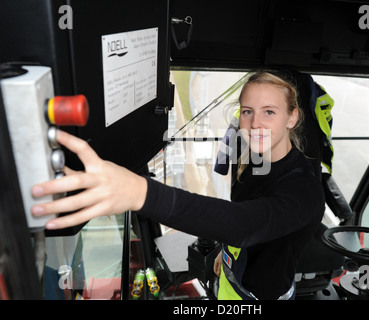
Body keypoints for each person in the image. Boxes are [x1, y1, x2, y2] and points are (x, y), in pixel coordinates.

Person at [31, 72, 325, 300]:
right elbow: (240, 223)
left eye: (269, 112)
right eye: (247, 111)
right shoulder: (250, 158)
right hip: (231, 280)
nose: (254, 123)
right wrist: (226, 256)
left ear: (293, 117)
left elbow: (246, 224)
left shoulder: (305, 190)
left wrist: (140, 193)